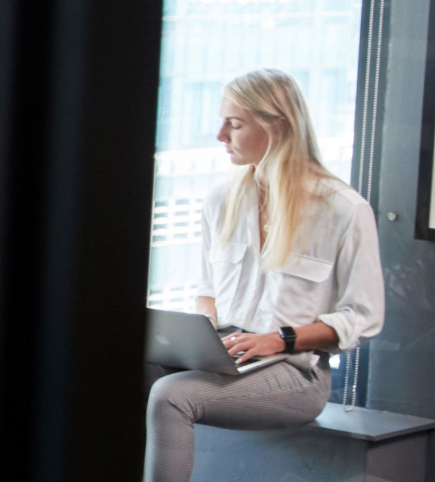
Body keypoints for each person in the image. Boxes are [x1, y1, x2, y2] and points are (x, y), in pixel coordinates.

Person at [145, 69, 383, 482]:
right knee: (124, 369)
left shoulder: (343, 209)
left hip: (294, 372)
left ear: (279, 126)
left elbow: (364, 317)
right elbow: (207, 290)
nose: (220, 134)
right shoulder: (221, 199)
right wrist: (206, 333)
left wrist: (277, 339)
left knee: (171, 395)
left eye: (234, 124)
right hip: (228, 355)